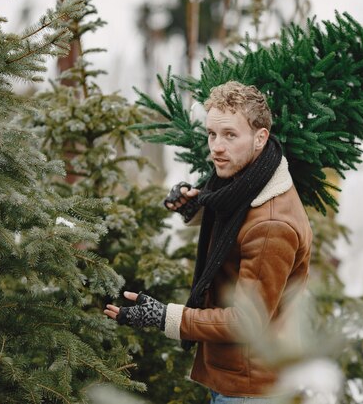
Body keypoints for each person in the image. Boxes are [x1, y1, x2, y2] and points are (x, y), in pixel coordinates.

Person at [104, 81, 313, 403]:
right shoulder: (253, 183)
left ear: (260, 138)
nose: (216, 146)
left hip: (250, 386)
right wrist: (198, 204)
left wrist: (166, 317)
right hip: (239, 374)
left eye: (230, 135)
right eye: (212, 134)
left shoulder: (272, 226)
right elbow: (237, 219)